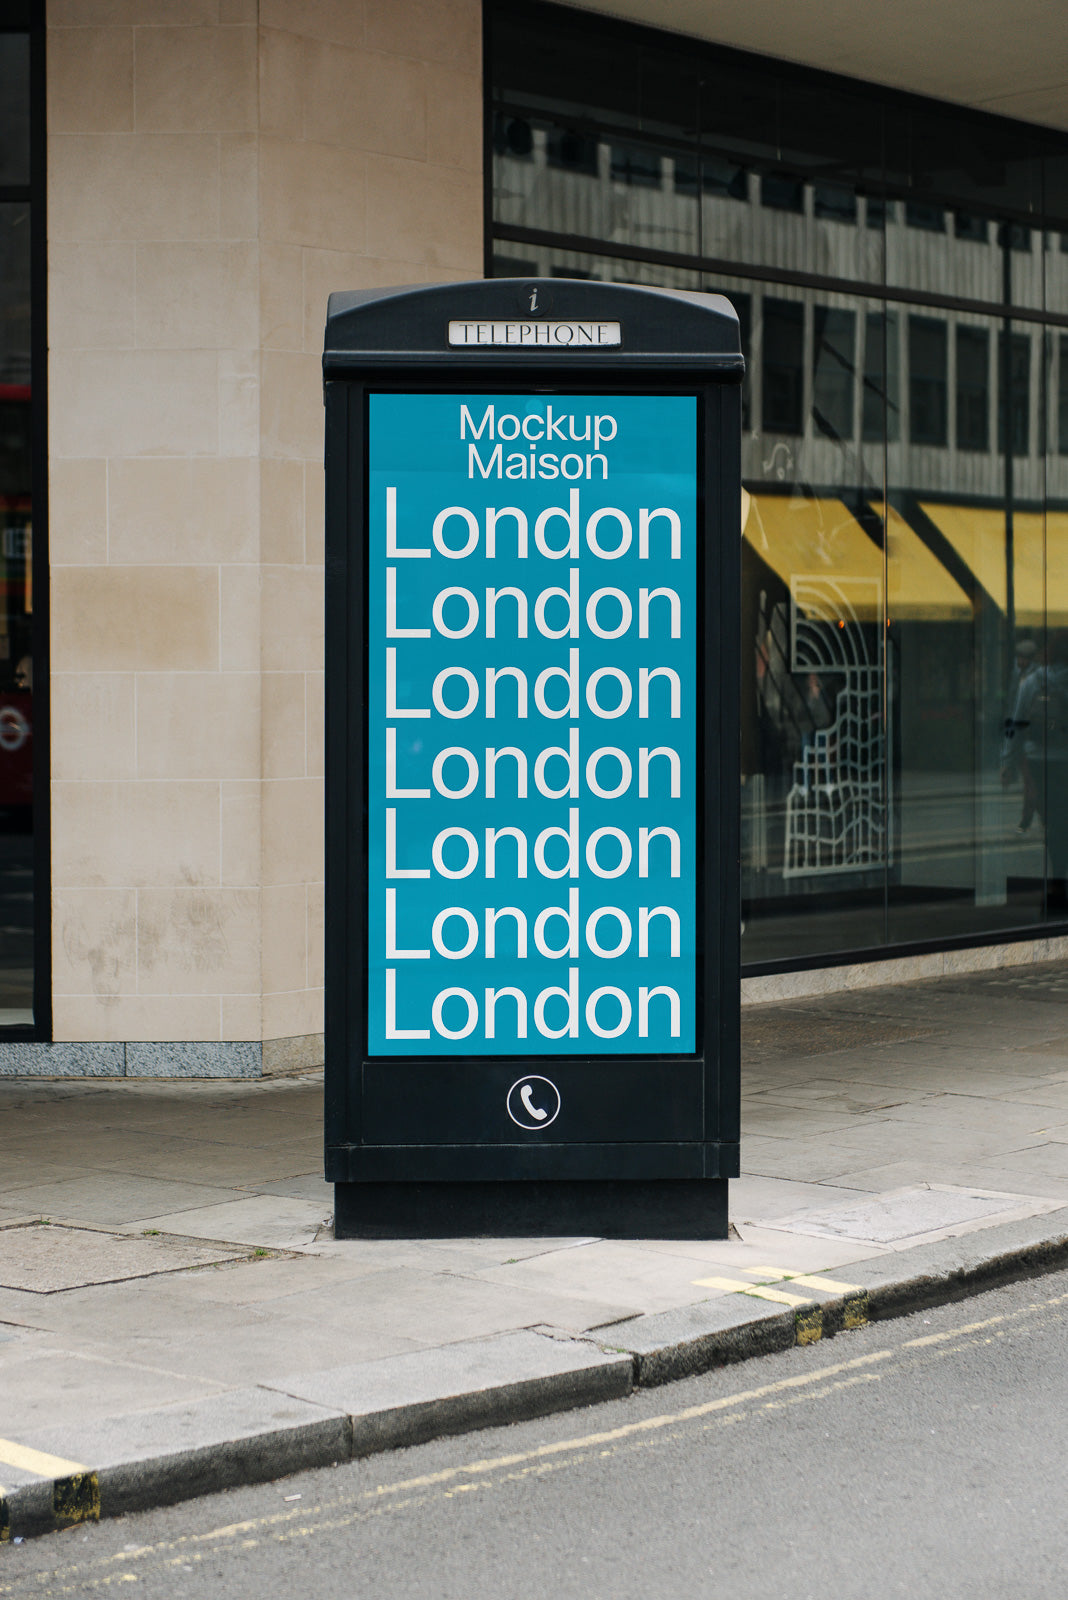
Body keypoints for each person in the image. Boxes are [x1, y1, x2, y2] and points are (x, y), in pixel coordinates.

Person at [1001, 638, 1038, 831]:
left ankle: (1027, 819)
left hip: (1030, 737)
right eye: (1019, 658)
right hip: (1020, 734)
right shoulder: (1017, 675)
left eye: (1023, 658)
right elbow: (1012, 704)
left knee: (1030, 783)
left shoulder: (1034, 678)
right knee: (1029, 782)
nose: (1020, 662)